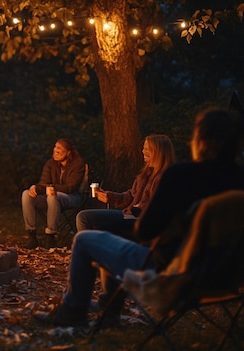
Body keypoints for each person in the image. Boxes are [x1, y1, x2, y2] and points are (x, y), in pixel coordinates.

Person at [33, 108, 244, 327]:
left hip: (169, 272)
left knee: (85, 239)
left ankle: (73, 313)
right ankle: (108, 310)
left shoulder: (181, 175)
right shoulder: (240, 181)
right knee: (106, 230)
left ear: (200, 140)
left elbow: (145, 231)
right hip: (225, 278)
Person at [76, 135, 176, 239]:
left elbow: (160, 207)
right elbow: (131, 196)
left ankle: (93, 252)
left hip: (141, 219)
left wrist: (139, 208)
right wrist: (109, 197)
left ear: (159, 152)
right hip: (128, 214)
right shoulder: (145, 175)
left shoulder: (167, 177)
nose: (143, 151)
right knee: (83, 216)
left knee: (99, 225)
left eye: (148, 149)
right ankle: (92, 252)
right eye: (143, 148)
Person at [21, 139, 86, 248]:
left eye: (59, 148)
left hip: (73, 197)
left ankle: (50, 236)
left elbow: (71, 187)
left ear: (68, 152)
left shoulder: (78, 164)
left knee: (52, 196)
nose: (55, 150)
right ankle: (32, 236)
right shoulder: (51, 163)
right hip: (52, 198)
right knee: (26, 194)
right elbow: (44, 183)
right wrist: (36, 188)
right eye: (55, 147)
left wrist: (52, 188)